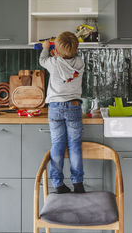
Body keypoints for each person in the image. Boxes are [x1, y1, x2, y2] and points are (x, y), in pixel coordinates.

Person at [39, 31, 85, 194]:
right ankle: (78, 183)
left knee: (57, 145)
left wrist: (46, 47)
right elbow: (69, 59)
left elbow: (42, 60)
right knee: (74, 146)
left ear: (56, 50)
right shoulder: (80, 63)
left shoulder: (52, 61)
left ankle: (58, 183)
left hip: (55, 108)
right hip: (73, 107)